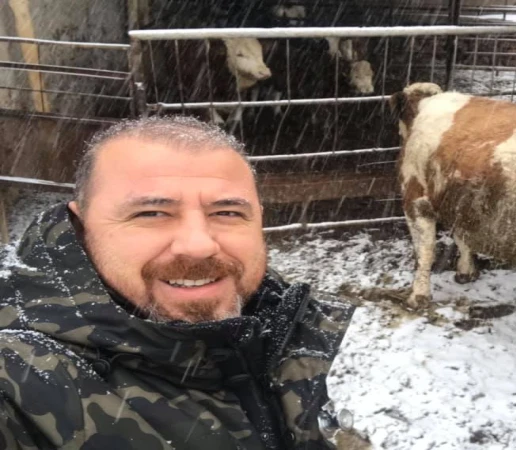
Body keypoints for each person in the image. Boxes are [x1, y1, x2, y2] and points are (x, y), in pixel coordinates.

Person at [0, 116, 355, 449]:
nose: (199, 245)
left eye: (227, 212)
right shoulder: (17, 383)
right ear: (82, 225)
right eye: (151, 213)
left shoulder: (291, 328)